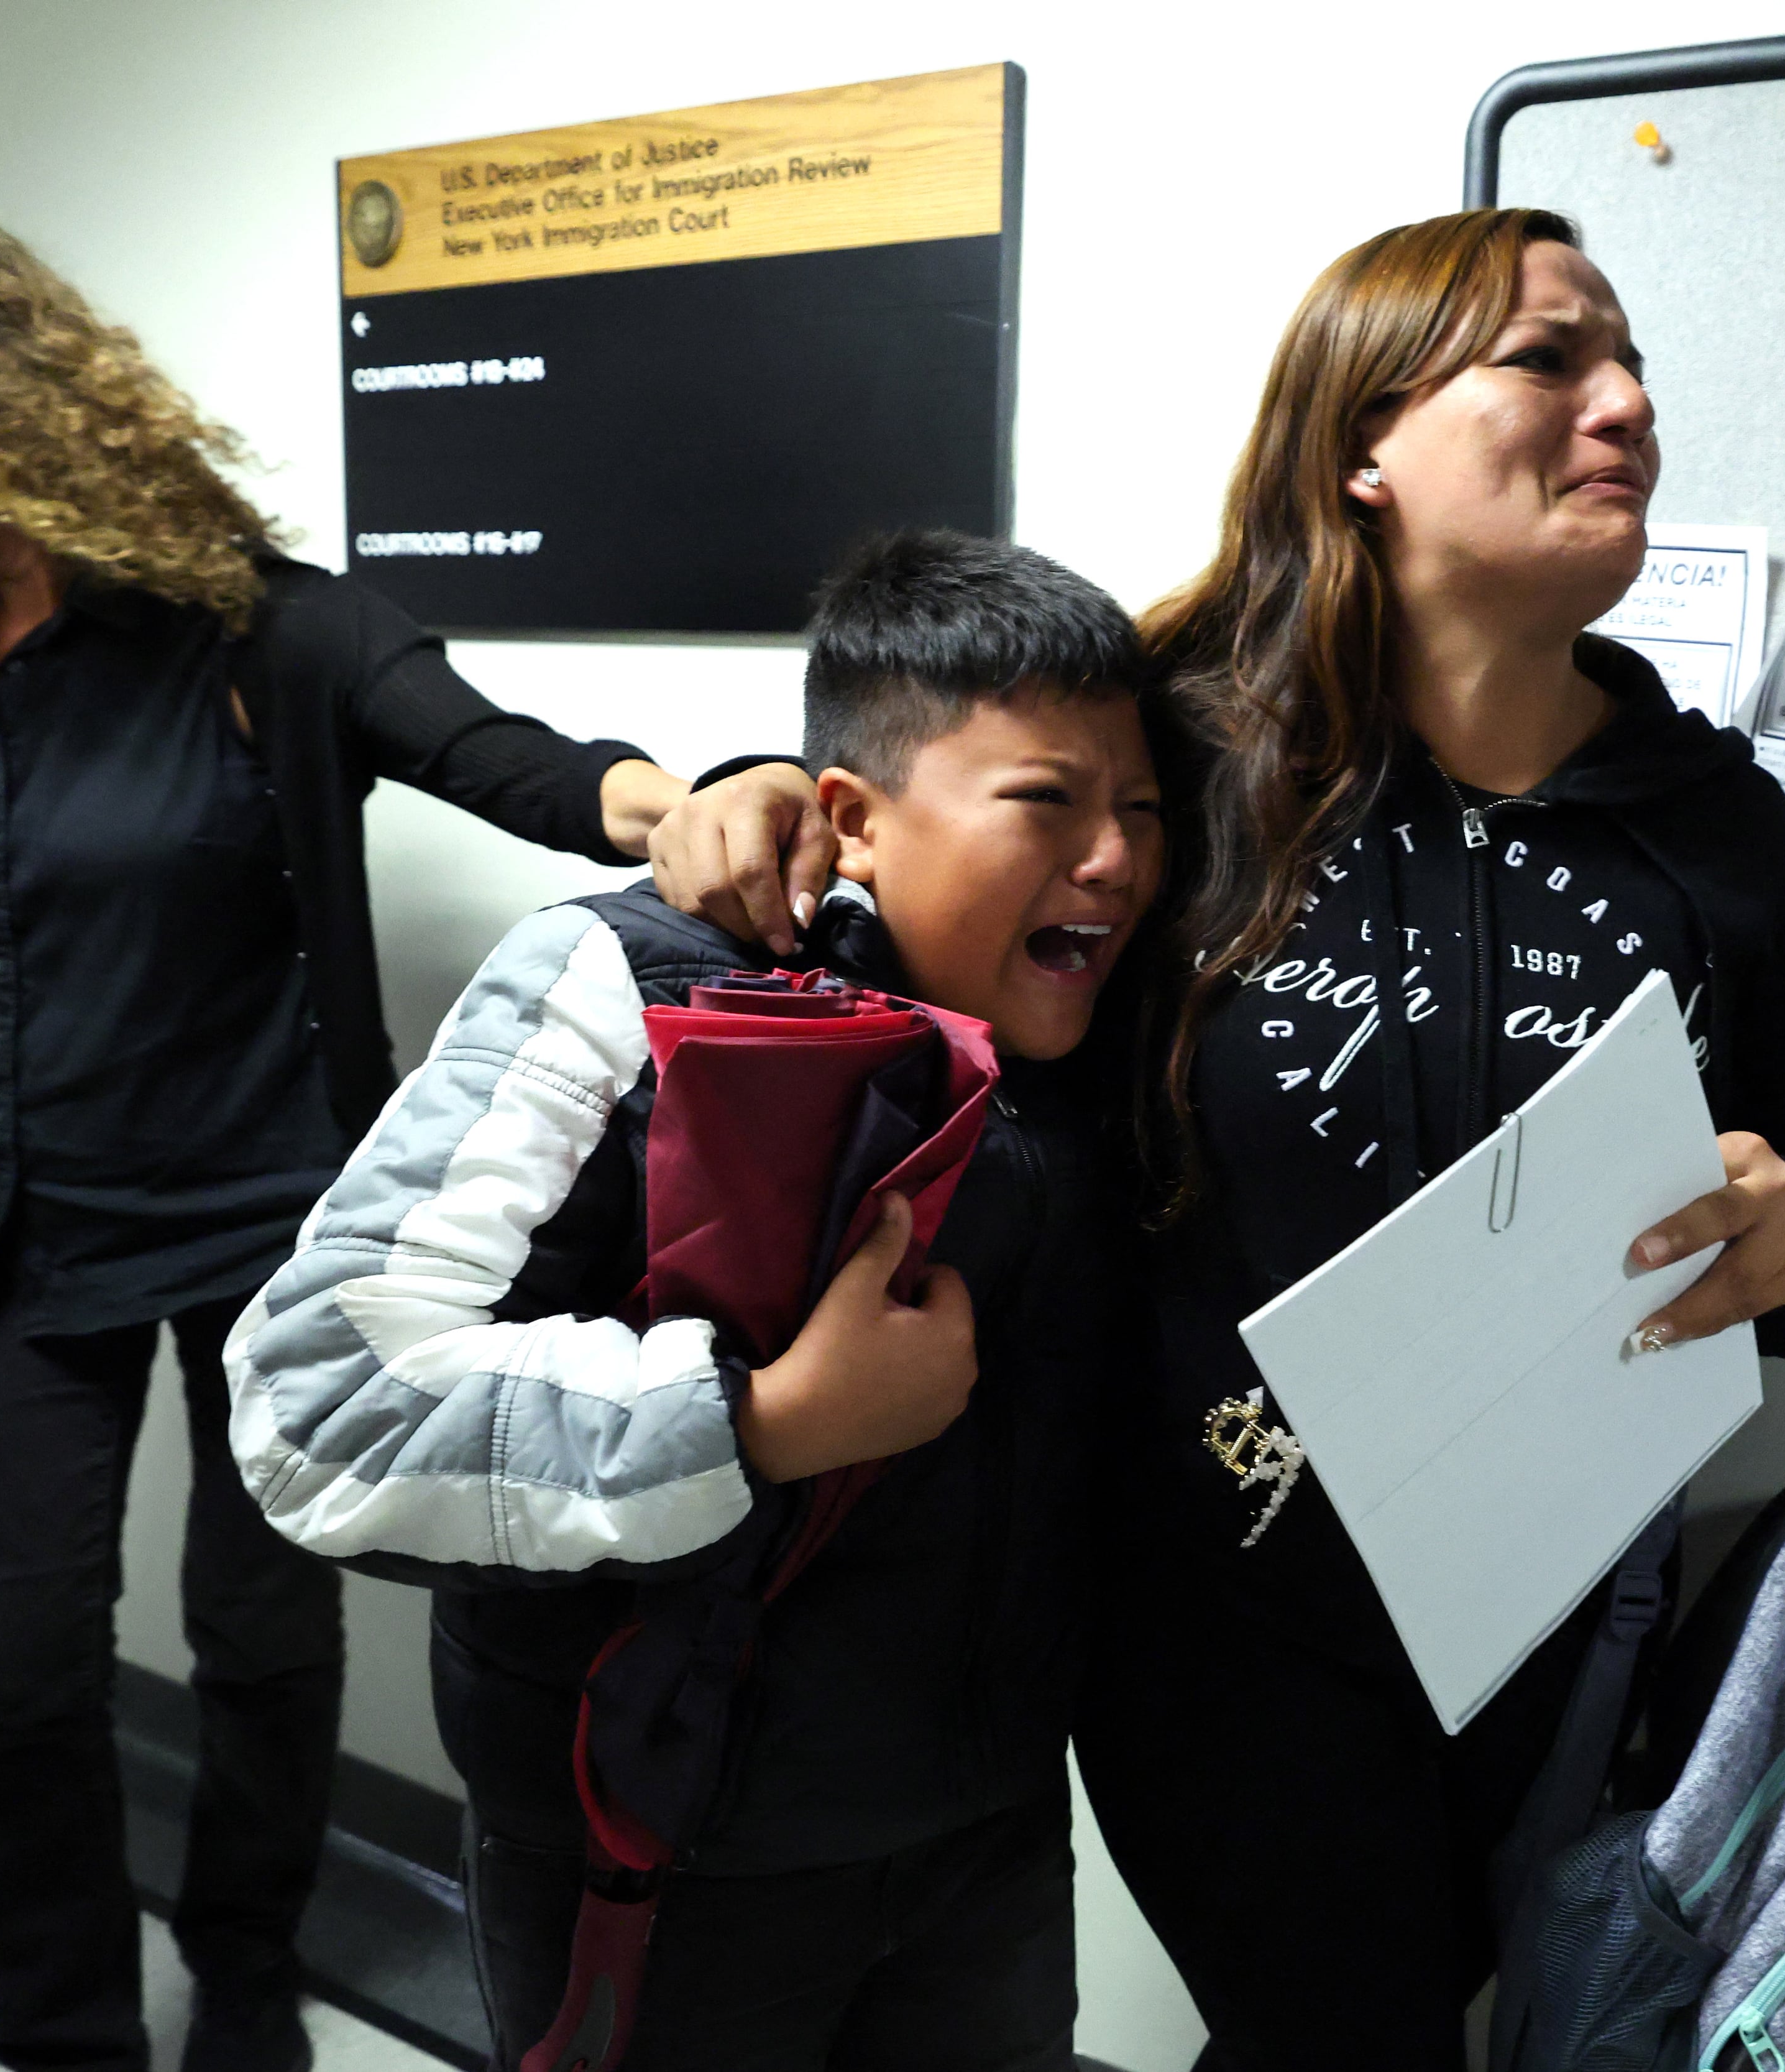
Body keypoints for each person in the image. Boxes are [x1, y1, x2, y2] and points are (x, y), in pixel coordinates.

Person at [0, 183, 814, 2072]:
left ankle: (246, 1991)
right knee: (8, 1680)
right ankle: (66, 2037)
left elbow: (512, 757)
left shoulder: (272, 632)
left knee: (261, 1646)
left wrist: (711, 796)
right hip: (3, 1231)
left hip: (269, 1236)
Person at [1065, 209, 1785, 2069]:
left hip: (1565, 1632)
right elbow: (928, 891)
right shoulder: (1166, 763)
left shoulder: (1717, 820)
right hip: (1221, 1622)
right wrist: (748, 798)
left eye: (1636, 364)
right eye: (1550, 358)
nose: (1630, 404)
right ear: (1364, 442)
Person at [223, 530, 1168, 2070]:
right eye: (1046, 800)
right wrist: (760, 1420)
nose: (1116, 857)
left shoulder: (1103, 1038)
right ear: (851, 819)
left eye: (1140, 807)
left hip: (983, 1841)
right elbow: (316, 1403)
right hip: (653, 1855)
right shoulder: (625, 981)